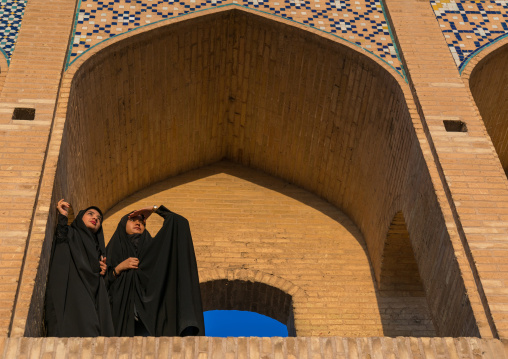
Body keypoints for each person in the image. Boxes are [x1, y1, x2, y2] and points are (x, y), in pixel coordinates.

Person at [105, 205, 205, 337]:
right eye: (133, 220)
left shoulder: (151, 252)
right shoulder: (111, 253)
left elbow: (180, 223)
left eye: (142, 222)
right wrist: (118, 268)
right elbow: (99, 286)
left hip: (152, 322)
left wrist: (155, 209)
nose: (138, 223)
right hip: (118, 321)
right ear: (123, 224)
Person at [45, 199, 114, 337]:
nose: (95, 218)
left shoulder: (98, 251)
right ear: (80, 216)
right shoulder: (71, 233)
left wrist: (101, 271)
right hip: (72, 288)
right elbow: (61, 242)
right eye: (91, 214)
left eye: (99, 219)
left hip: (89, 296)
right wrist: (63, 216)